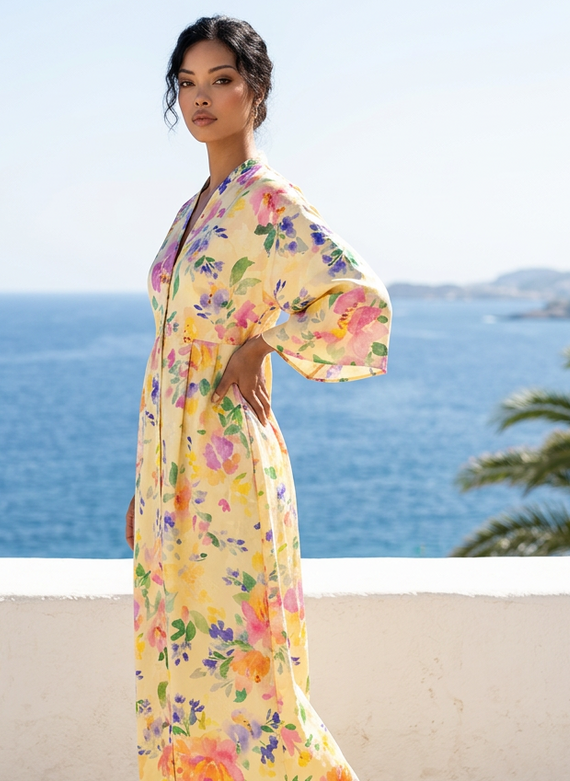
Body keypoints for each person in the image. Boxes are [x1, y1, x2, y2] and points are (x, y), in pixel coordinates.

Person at [125, 15, 392, 781]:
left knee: (250, 679)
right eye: (187, 84)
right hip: (171, 477)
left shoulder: (269, 202)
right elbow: (169, 354)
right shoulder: (193, 210)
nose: (200, 98)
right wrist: (141, 482)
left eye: (221, 80)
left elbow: (362, 304)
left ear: (256, 90)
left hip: (231, 475)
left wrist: (264, 341)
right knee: (180, 671)